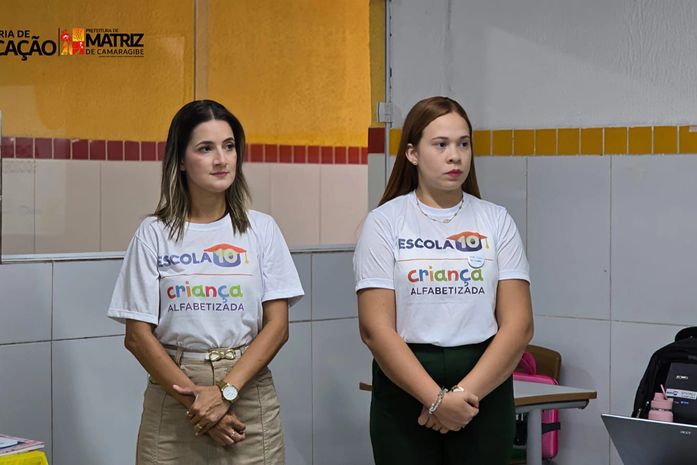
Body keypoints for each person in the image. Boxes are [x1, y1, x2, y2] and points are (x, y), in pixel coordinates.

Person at [107, 99, 303, 465]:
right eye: (205, 148)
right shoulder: (153, 234)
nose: (221, 159)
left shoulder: (261, 230)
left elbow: (277, 327)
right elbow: (137, 336)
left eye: (229, 146)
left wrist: (225, 392)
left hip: (247, 391)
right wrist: (199, 402)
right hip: (175, 395)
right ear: (181, 160)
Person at [353, 96, 533, 465]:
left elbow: (519, 326)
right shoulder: (384, 222)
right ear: (412, 153)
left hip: (483, 386)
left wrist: (462, 398)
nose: (455, 156)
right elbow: (375, 329)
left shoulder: (496, 220)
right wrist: (435, 400)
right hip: (406, 383)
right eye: (441, 145)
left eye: (463, 144)